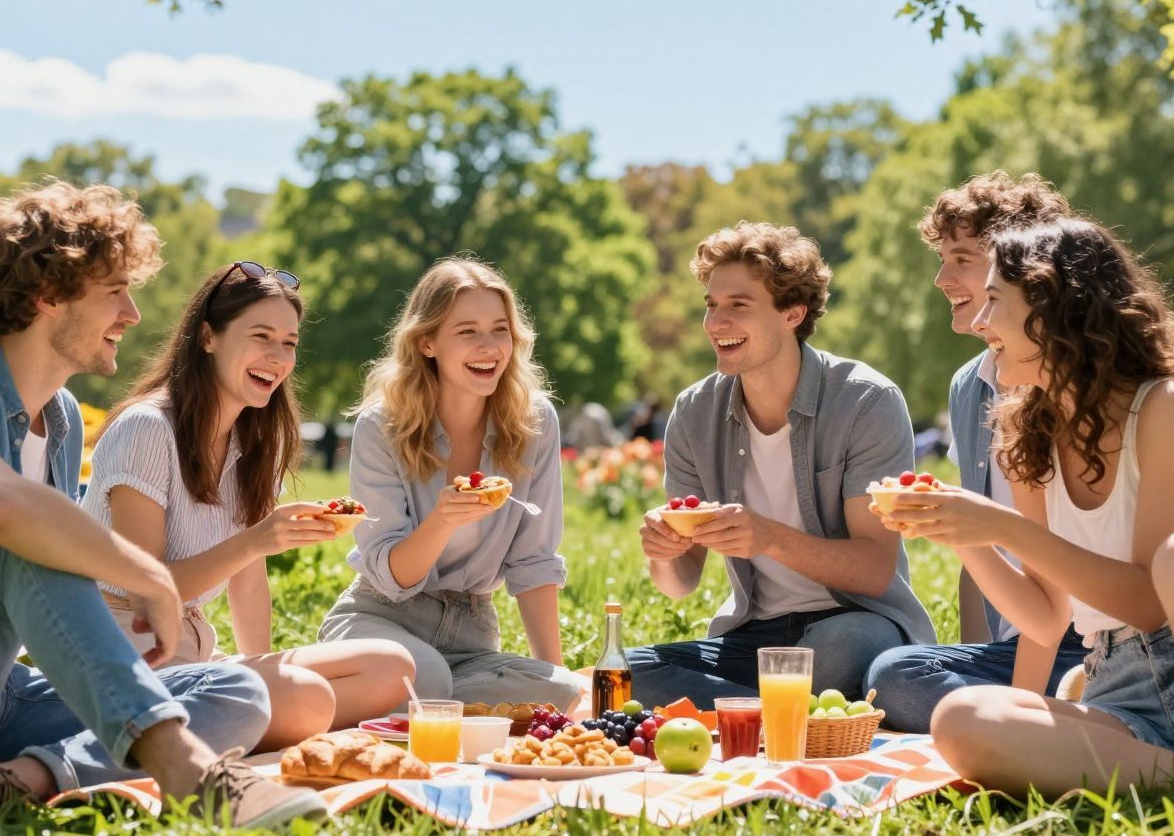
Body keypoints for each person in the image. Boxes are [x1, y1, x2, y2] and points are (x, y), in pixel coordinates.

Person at [0, 182, 324, 830]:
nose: (132, 314)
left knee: (234, 690)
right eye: (114, 292)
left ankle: (16, 782)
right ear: (49, 295)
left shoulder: (63, 421)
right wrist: (149, 576)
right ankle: (188, 772)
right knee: (18, 534)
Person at [872, 216, 1174, 836]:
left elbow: (1148, 601)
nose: (978, 323)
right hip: (1122, 689)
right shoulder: (1027, 434)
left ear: (1054, 307)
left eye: (995, 301)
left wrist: (1000, 524)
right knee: (961, 718)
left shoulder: (1168, 407)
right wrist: (964, 536)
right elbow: (1045, 616)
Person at [81, 260, 416, 749]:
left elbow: (248, 582)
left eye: (289, 343)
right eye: (261, 336)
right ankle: (234, 726)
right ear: (208, 337)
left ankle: (248, 722)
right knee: (307, 699)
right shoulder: (147, 428)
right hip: (126, 653)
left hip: (195, 654)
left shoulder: (256, 442)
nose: (277, 357)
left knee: (392, 666)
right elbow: (146, 594)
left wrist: (262, 670)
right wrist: (255, 541)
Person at [628, 221, 933, 706]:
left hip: (854, 621)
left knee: (836, 653)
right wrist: (662, 554)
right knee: (627, 674)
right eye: (711, 305)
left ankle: (741, 712)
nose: (715, 323)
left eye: (738, 306)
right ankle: (779, 714)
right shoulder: (694, 413)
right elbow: (681, 582)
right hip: (755, 635)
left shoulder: (866, 401)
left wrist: (767, 537)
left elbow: (876, 569)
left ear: (792, 312)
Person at [866, 173, 1090, 730]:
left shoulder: (1078, 385)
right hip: (1023, 641)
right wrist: (974, 658)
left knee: (895, 680)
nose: (942, 278)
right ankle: (1035, 716)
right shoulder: (972, 387)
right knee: (890, 675)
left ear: (1016, 265)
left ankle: (1059, 714)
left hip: (1090, 638)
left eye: (962, 259)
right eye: (942, 259)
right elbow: (980, 558)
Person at [317, 258, 584, 708]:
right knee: (426, 677)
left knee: (560, 691)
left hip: (471, 632)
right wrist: (441, 520)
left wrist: (553, 695)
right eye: (467, 332)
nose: (489, 347)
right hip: (381, 618)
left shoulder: (534, 421)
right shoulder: (382, 426)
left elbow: (534, 562)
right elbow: (391, 574)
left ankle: (363, 699)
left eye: (500, 330)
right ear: (426, 342)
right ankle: (353, 685)